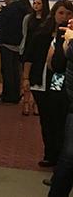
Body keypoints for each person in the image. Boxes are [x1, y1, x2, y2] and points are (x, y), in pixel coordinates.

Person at [22, 0, 73, 168]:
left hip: (58, 79)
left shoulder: (68, 36)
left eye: (68, 14)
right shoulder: (42, 32)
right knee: (46, 119)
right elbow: (29, 57)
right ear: (54, 13)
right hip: (39, 79)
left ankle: (59, 157)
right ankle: (49, 155)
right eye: (61, 13)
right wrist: (25, 78)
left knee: (58, 118)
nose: (64, 17)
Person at [49, 18, 73, 196]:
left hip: (67, 92)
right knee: (54, 123)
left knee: (69, 155)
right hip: (58, 84)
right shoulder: (58, 33)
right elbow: (56, 63)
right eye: (61, 12)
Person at [0, 0, 28, 104]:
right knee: (15, 71)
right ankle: (14, 95)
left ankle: (9, 97)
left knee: (7, 71)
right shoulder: (24, 8)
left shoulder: (8, 9)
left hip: (7, 44)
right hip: (18, 44)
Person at [20, 0, 50, 115]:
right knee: (27, 78)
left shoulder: (48, 19)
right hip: (28, 50)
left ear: (44, 5)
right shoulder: (28, 18)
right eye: (34, 3)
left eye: (39, 3)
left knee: (39, 79)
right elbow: (24, 34)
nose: (36, 5)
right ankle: (26, 103)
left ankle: (36, 103)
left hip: (42, 53)